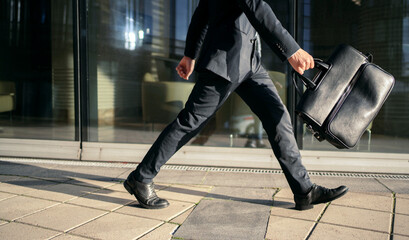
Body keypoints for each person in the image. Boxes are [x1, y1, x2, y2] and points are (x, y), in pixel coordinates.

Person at [124, 0, 348, 210]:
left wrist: (190, 55)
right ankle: (140, 178)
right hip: (223, 61)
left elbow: (202, 15)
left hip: (249, 63)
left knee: (278, 118)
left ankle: (304, 190)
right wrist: (292, 50)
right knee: (190, 121)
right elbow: (254, 5)